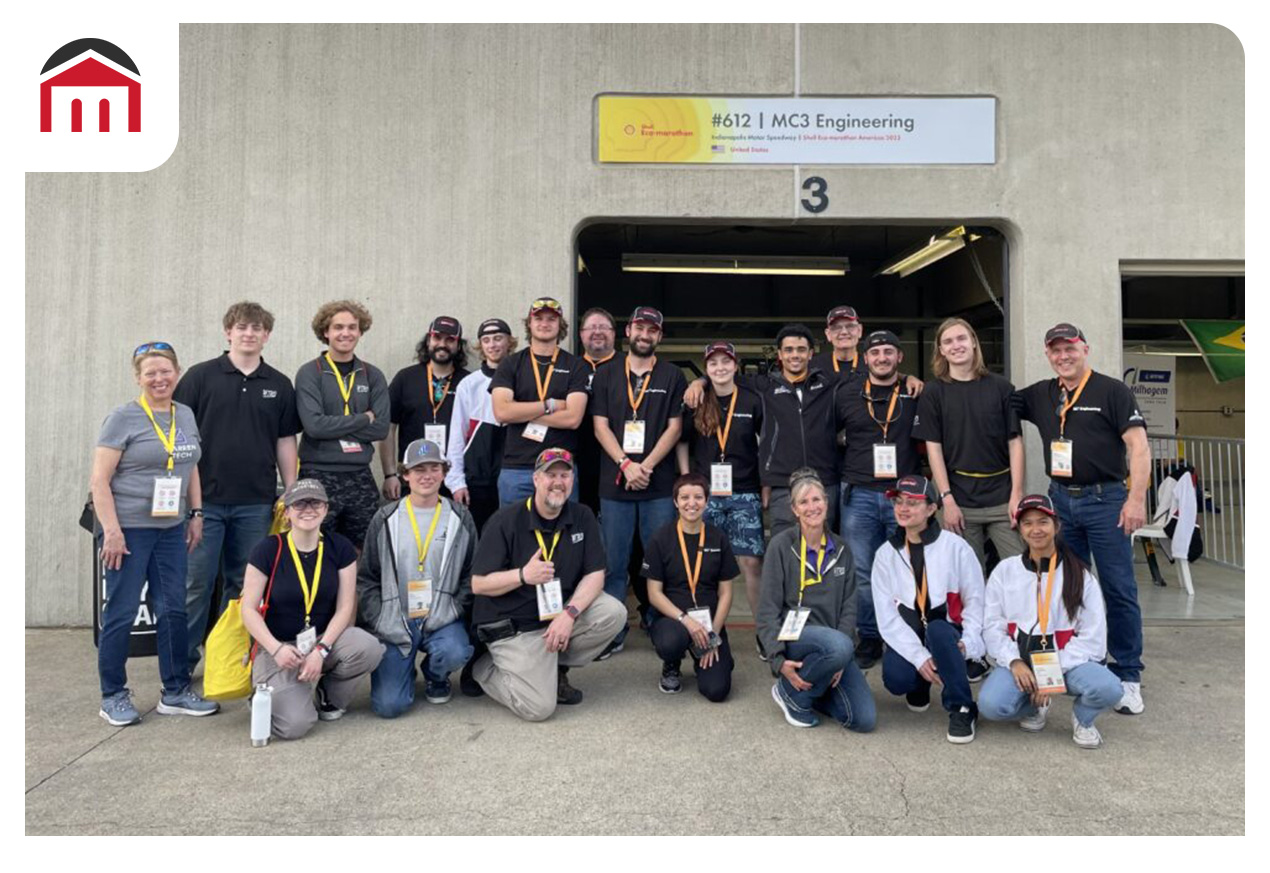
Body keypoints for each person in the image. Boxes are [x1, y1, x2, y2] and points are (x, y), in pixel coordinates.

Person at [1013, 322, 1150, 715]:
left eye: (1070, 348)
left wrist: (1136, 499)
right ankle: (1076, 663)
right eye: (1055, 350)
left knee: (1118, 589)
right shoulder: (1042, 393)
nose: (1063, 356)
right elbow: (997, 402)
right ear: (1048, 355)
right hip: (1061, 503)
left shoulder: (1112, 391)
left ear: (1085, 349)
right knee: (1066, 589)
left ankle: (1128, 674)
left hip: (1106, 501)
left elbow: (1138, 447)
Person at [90, 341, 218, 725]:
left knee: (173, 609)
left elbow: (191, 466)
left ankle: (175, 690)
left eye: (166, 371)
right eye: (151, 373)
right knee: (123, 612)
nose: (159, 378)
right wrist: (111, 531)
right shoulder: (123, 418)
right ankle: (113, 694)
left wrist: (195, 513)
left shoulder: (186, 415)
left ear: (177, 373)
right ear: (138, 377)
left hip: (171, 529)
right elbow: (99, 480)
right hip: (128, 530)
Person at [176, 301, 301, 675]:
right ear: (228, 332)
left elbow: (284, 441)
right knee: (195, 584)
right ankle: (180, 670)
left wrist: (291, 491)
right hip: (204, 504)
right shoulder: (199, 378)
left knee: (243, 589)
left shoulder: (279, 384)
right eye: (242, 327)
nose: (249, 334)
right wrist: (187, 497)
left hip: (256, 504)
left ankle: (230, 665)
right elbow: (179, 439)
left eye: (257, 328)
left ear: (267, 336)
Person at [469, 447, 626, 721]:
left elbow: (595, 574)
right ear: (536, 480)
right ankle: (485, 669)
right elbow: (479, 584)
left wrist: (570, 614)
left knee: (614, 613)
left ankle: (552, 669)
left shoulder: (582, 516)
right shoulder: (505, 520)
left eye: (565, 475)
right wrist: (522, 576)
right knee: (539, 709)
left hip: (554, 620)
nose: (558, 482)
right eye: (550, 474)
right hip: (514, 628)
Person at [978, 494, 1125, 749]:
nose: (1036, 530)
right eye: (1028, 523)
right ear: (1020, 529)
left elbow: (1093, 639)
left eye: (1043, 522)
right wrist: (1013, 661)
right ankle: (1033, 708)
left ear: (1056, 526)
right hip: (1022, 661)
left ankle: (1083, 718)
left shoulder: (1080, 576)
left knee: (1110, 688)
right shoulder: (1005, 571)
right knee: (991, 705)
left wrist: (1051, 676)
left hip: (1065, 662)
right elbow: (992, 626)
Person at [240, 479, 384, 739]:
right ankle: (272, 694)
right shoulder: (267, 550)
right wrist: (276, 648)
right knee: (294, 726)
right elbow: (248, 610)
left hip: (320, 639)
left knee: (368, 647)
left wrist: (321, 649)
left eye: (315, 502)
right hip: (277, 645)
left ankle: (328, 695)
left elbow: (345, 607)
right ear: (287, 512)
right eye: (300, 504)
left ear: (326, 509)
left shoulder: (339, 548)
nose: (308, 509)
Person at [684, 324, 845, 538]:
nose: (794, 355)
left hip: (824, 481)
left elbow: (870, 377)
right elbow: (723, 376)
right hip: (783, 484)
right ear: (779, 354)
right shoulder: (763, 386)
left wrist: (905, 378)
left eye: (800, 349)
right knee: (783, 549)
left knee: (824, 547)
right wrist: (699, 381)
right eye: (788, 350)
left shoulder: (828, 383)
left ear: (810, 353)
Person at [590, 306, 687, 655]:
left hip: (657, 486)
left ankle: (662, 625)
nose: (645, 336)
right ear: (628, 331)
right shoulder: (605, 375)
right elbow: (600, 425)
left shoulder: (673, 376)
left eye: (652, 331)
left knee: (659, 562)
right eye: (640, 329)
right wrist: (625, 464)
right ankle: (613, 631)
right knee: (614, 563)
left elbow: (675, 428)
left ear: (659, 337)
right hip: (615, 485)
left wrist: (643, 466)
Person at [358, 439, 478, 716]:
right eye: (418, 468)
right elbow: (367, 577)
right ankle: (403, 666)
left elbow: (471, 573)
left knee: (456, 650)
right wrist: (379, 617)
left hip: (441, 618)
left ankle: (436, 675)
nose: (427, 475)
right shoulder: (385, 518)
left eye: (434, 468)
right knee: (389, 707)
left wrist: (455, 607)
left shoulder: (460, 517)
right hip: (395, 620)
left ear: (444, 472)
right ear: (405, 474)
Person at [756, 470, 876, 732]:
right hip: (796, 639)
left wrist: (841, 657)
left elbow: (849, 608)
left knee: (863, 720)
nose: (812, 507)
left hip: (834, 644)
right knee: (837, 646)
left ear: (826, 502)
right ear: (794, 510)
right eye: (804, 502)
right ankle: (788, 693)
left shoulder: (842, 549)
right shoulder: (780, 546)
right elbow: (767, 610)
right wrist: (777, 660)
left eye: (817, 499)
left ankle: (809, 693)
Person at [871, 475, 985, 744]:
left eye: (913, 502)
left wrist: (969, 643)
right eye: (899, 502)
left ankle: (962, 706)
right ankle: (918, 683)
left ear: (932, 508)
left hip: (946, 633)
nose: (903, 508)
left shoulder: (956, 547)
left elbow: (976, 601)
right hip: (911, 633)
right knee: (896, 680)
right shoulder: (886, 554)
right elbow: (887, 618)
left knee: (937, 629)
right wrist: (918, 657)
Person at [676, 341, 766, 660]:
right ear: (706, 368)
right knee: (704, 564)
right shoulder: (697, 399)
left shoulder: (753, 400)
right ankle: (705, 629)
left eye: (725, 362)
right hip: (705, 493)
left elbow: (763, 446)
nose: (719, 368)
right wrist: (688, 481)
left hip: (744, 491)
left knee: (751, 563)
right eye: (712, 364)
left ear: (735, 365)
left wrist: (764, 486)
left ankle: (763, 634)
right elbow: (683, 442)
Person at [838, 329, 922, 671]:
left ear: (899, 357)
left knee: (909, 568)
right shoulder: (847, 393)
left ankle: (908, 635)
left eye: (889, 352)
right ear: (865, 357)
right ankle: (870, 636)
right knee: (862, 571)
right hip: (859, 493)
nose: (882, 358)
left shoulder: (916, 393)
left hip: (905, 496)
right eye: (875, 353)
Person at [914, 317, 1024, 570]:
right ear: (941, 350)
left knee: (1020, 570)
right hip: (959, 500)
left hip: (1002, 497)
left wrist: (1017, 494)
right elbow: (934, 449)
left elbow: (1015, 443)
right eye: (948, 341)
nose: (956, 345)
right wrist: (947, 499)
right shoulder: (934, 392)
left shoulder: (1002, 388)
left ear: (974, 342)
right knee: (966, 578)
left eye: (962, 338)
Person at [295, 300, 390, 548]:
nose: (345, 333)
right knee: (314, 547)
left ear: (360, 331)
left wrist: (334, 426)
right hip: (318, 475)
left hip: (360, 476)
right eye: (338, 327)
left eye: (352, 327)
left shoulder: (372, 375)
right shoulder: (310, 373)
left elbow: (380, 429)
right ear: (325, 332)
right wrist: (363, 418)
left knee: (363, 549)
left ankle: (352, 589)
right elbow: (314, 426)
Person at [642, 473, 737, 701]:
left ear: (707, 501)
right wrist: (686, 620)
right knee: (670, 642)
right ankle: (672, 663)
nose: (691, 503)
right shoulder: (660, 538)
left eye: (698, 497)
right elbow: (653, 594)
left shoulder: (718, 538)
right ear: (675, 502)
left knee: (716, 691)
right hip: (674, 621)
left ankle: (709, 658)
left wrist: (713, 634)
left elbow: (726, 592)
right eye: (684, 497)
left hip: (709, 624)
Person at [489, 297, 589, 504]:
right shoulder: (510, 364)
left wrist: (522, 414)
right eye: (539, 318)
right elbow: (501, 412)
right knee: (513, 533)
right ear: (529, 323)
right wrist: (549, 405)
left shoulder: (576, 365)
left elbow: (572, 418)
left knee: (561, 534)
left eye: (551, 319)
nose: (545, 324)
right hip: (517, 469)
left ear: (560, 325)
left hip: (560, 469)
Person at [381, 316, 470, 500]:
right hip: (414, 475)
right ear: (428, 340)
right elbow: (387, 428)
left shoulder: (469, 382)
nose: (442, 344)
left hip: (456, 480)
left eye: (450, 340)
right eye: (437, 338)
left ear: (459, 345)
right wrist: (390, 475)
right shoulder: (405, 378)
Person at [445, 317, 515, 532]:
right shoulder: (469, 384)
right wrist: (456, 482)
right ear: (481, 346)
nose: (492, 344)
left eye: (498, 338)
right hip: (478, 480)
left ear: (509, 342)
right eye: (486, 340)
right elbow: (457, 435)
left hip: (513, 474)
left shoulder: (523, 377)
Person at [811, 304, 924, 395]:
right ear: (828, 334)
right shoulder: (813, 366)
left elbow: (891, 374)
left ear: (859, 330)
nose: (844, 332)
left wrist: (908, 378)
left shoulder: (872, 363)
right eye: (836, 328)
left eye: (850, 326)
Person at [576, 307, 619, 515]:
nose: (597, 331)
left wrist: (700, 382)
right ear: (581, 333)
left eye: (603, 327)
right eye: (591, 327)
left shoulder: (628, 366)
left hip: (617, 459)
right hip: (579, 460)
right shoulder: (570, 366)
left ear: (614, 333)